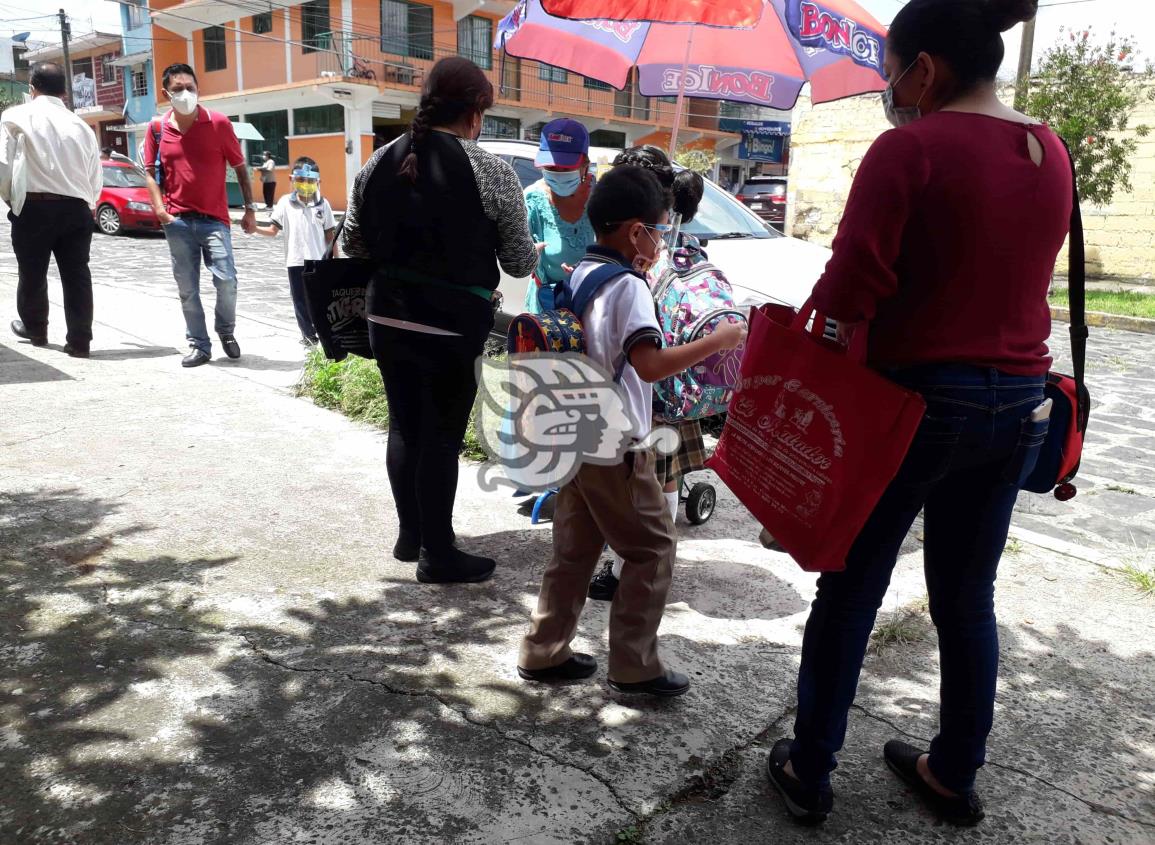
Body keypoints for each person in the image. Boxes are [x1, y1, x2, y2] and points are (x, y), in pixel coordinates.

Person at [765, 0, 1071, 827]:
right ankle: (952, 769)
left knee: (852, 584)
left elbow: (853, 286)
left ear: (923, 70)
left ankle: (810, 764)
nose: (889, 92)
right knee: (966, 597)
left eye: (889, 74)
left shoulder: (909, 149)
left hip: (917, 405)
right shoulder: (1050, 149)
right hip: (1019, 403)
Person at [517, 166, 745, 698]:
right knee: (653, 549)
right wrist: (722, 340)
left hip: (576, 436)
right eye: (659, 229)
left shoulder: (581, 274)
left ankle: (543, 649)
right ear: (635, 230)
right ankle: (635, 665)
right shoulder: (629, 287)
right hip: (617, 445)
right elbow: (649, 363)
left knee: (573, 551)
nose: (661, 239)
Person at [342, 57, 537, 585]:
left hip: (386, 316)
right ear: (476, 112)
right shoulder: (491, 171)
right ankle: (439, 552)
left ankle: (412, 536)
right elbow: (519, 262)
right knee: (442, 436)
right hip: (451, 325)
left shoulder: (376, 162)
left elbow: (352, 242)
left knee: (404, 424)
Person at [588, 145, 707, 602]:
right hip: (655, 380)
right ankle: (634, 563)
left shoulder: (650, 258)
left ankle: (627, 570)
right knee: (662, 476)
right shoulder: (652, 253)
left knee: (653, 486)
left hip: (651, 381)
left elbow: (649, 360)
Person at [142, 62, 256, 368]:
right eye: (177, 89)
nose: (185, 93)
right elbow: (151, 173)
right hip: (177, 222)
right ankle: (199, 345)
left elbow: (240, 167)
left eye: (190, 87)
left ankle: (226, 330)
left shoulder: (218, 123)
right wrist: (160, 210)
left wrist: (249, 209)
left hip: (214, 220)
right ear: (166, 94)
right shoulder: (157, 129)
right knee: (187, 288)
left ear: (198, 89)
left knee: (227, 280)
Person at [0, 62, 103, 358]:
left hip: (34, 206)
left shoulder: (15, 115)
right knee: (77, 275)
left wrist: (11, 200)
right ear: (64, 92)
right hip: (77, 208)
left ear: (32, 89)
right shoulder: (82, 126)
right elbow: (95, 174)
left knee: (32, 273)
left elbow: (3, 166)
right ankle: (80, 341)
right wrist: (90, 203)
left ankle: (36, 329)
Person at [253, 156, 335, 346]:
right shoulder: (284, 203)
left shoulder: (323, 205)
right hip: (295, 261)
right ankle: (308, 336)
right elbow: (273, 230)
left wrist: (335, 261)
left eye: (310, 180)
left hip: (318, 261)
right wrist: (255, 228)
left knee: (320, 299)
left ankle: (325, 332)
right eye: (301, 180)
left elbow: (330, 236)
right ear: (293, 180)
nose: (305, 184)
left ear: (317, 181)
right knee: (300, 301)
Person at [523, 118, 596, 313]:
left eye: (565, 168)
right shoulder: (533, 199)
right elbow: (517, 258)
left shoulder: (600, 201)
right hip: (545, 311)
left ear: (585, 166)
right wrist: (528, 254)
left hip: (588, 310)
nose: (558, 173)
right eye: (551, 168)